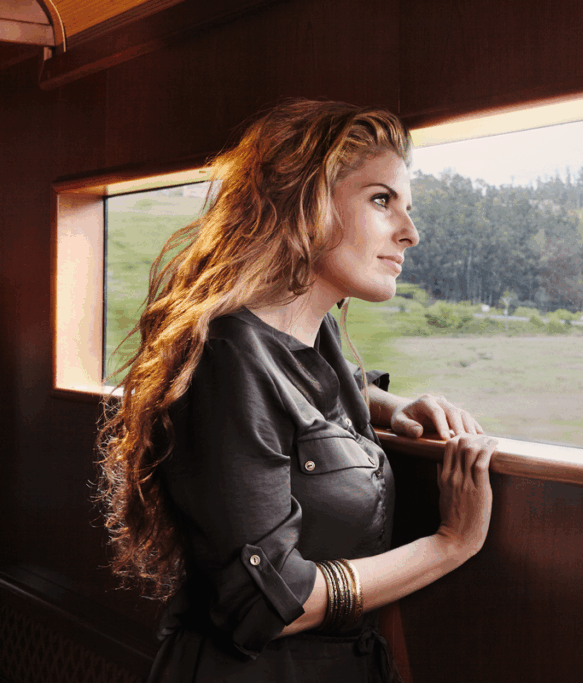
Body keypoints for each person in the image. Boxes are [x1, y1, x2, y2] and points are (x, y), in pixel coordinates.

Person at [97, 100, 497, 683]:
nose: (410, 233)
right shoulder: (225, 355)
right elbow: (269, 603)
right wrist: (452, 544)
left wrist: (390, 404)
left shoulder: (315, 333)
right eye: (381, 200)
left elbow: (306, 390)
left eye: (406, 207)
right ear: (305, 204)